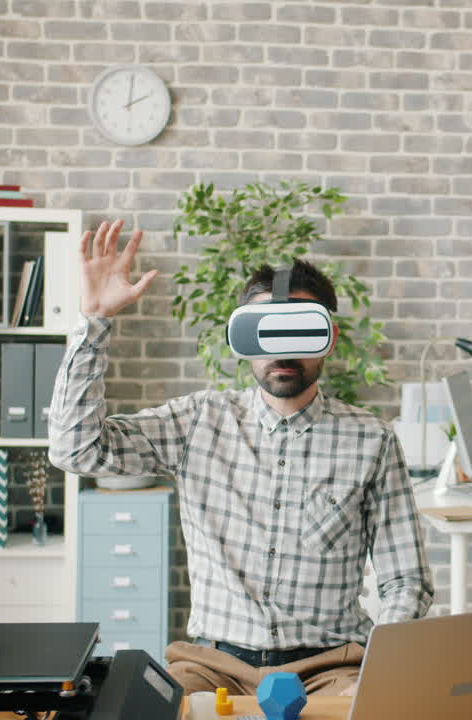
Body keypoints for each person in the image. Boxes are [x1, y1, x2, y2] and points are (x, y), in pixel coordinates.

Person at [48, 219, 433, 696]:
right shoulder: (198, 422)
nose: (282, 351)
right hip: (213, 666)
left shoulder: (371, 440)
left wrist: (379, 671)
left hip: (330, 668)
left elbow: (406, 581)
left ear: (328, 338)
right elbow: (75, 448)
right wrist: (94, 322)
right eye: (266, 333)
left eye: (299, 331)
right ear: (243, 342)